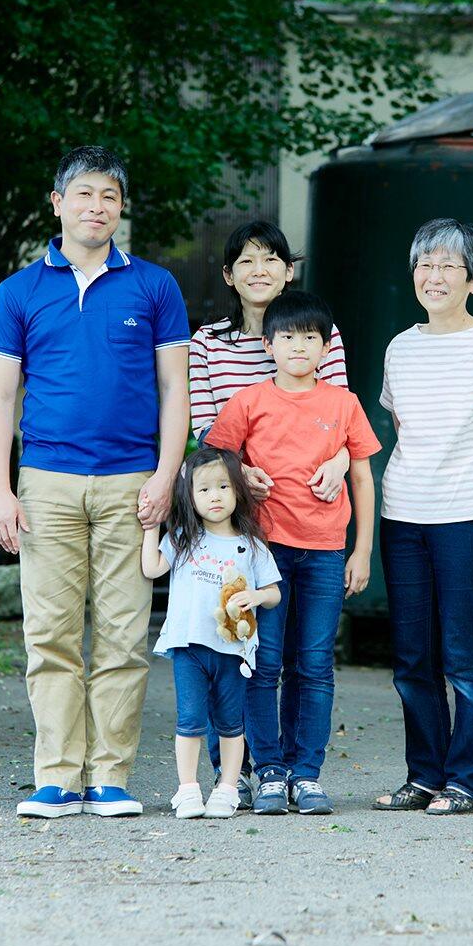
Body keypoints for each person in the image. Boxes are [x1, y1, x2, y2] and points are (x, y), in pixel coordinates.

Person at [0, 145, 190, 820]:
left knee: (126, 636)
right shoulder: (18, 292)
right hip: (46, 484)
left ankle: (110, 777)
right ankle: (57, 777)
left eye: (109, 196)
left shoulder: (155, 286)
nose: (96, 207)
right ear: (58, 203)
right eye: (84, 195)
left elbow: (173, 391)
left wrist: (166, 477)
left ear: (121, 209)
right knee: (51, 635)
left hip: (133, 483)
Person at [372, 218, 473, 817]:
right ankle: (424, 775)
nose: (433, 276)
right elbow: (403, 431)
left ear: (472, 279)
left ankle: (466, 779)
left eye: (447, 266)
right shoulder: (400, 347)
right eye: (424, 264)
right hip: (405, 516)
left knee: (465, 655)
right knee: (412, 657)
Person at [188, 219, 353, 803]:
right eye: (246, 261)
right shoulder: (209, 343)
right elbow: (205, 430)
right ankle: (234, 770)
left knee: (305, 657)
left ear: (289, 269)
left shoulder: (318, 334)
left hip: (311, 522)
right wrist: (239, 474)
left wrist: (338, 462)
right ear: (230, 275)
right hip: (240, 522)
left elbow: (341, 423)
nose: (260, 271)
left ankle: (292, 772)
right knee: (237, 643)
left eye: (272, 259)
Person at [204, 290, 380, 816]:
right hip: (263, 553)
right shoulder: (250, 402)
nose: (298, 347)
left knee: (315, 665)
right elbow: (215, 458)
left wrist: (363, 550)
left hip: (326, 552)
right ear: (269, 343)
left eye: (310, 338)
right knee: (264, 663)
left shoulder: (342, 403)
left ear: (327, 347)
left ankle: (307, 773)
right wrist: (242, 474)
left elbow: (365, 477)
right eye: (287, 337)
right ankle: (270, 771)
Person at [141, 447, 282, 819]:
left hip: (232, 649)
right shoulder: (184, 538)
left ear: (238, 490)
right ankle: (187, 789)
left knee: (231, 722)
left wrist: (256, 594)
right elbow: (153, 568)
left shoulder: (250, 544)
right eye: (203, 490)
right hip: (189, 647)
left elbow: (274, 593)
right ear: (189, 497)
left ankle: (227, 788)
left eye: (222, 486)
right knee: (189, 720)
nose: (214, 496)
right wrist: (151, 526)